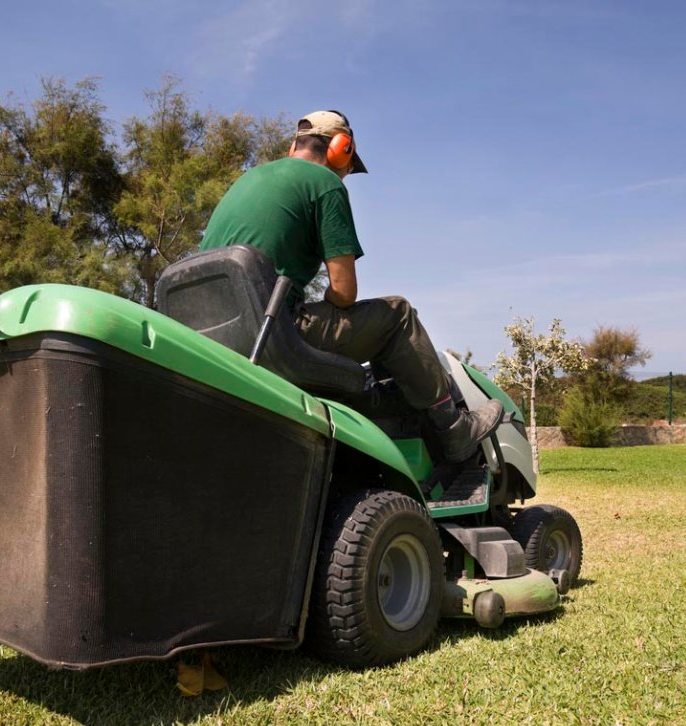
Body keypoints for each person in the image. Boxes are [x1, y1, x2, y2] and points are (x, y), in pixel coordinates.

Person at [199, 109, 502, 463]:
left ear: (293, 145)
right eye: (348, 165)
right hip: (272, 334)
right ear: (340, 150)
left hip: (213, 338)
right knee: (398, 315)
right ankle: (453, 429)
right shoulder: (324, 183)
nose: (346, 174)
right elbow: (344, 292)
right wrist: (327, 302)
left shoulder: (247, 180)